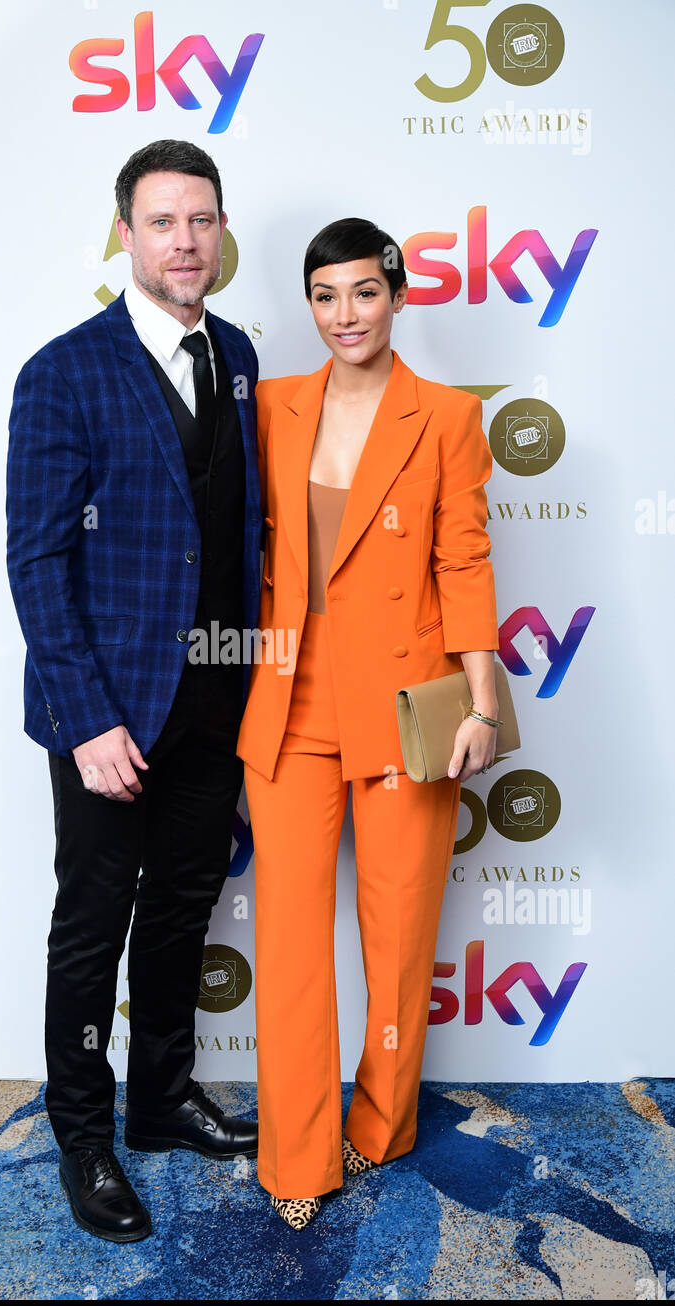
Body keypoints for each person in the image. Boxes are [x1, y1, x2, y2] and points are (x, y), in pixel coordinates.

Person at [6, 139, 262, 1243]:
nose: (185, 241)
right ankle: (84, 1137)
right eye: (162, 222)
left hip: (216, 692)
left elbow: (242, 531)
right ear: (124, 233)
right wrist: (85, 720)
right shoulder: (63, 369)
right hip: (108, 708)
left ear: (220, 229)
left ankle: (158, 1100)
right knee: (91, 924)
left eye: (200, 220)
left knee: (177, 912)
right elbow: (36, 559)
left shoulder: (240, 351)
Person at [236, 217, 501, 1230]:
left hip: (406, 704)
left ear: (396, 296)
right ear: (308, 305)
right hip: (289, 701)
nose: (344, 314)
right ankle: (297, 1157)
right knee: (294, 945)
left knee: (397, 941)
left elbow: (464, 563)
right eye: (324, 295)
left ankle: (381, 1123)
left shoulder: (444, 415)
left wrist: (480, 700)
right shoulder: (268, 406)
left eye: (362, 292)